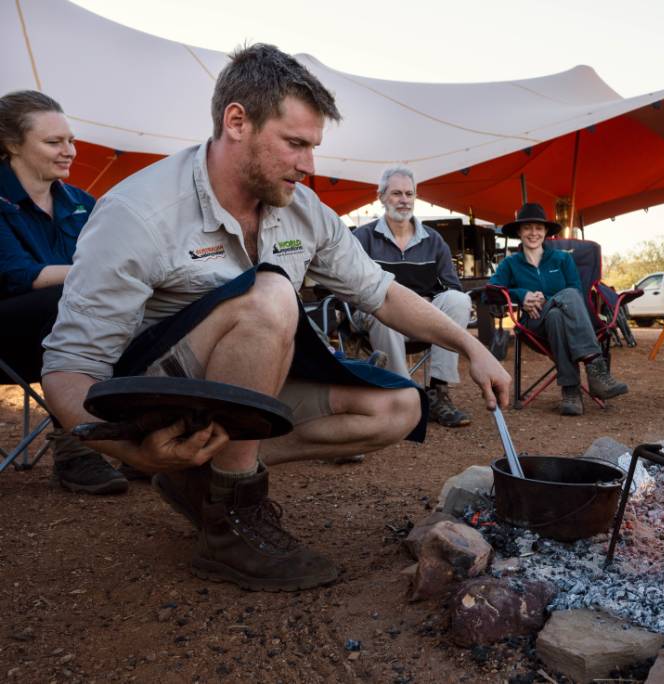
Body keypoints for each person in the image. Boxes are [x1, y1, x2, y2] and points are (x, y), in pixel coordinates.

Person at [40, 44, 510, 592]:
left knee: (398, 406)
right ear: (236, 121)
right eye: (295, 144)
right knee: (271, 294)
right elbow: (68, 368)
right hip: (159, 400)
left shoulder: (302, 209)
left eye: (313, 146)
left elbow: (380, 293)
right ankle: (231, 518)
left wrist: (470, 346)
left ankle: (203, 475)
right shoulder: (139, 211)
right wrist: (134, 451)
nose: (309, 165)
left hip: (244, 387)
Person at [0, 90, 128, 495]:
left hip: (76, 327)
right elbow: (17, 274)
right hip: (11, 335)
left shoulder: (83, 203)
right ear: (12, 144)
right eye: (54, 142)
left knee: (147, 304)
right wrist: (97, 274)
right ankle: (76, 450)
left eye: (71, 140)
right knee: (68, 300)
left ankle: (143, 442)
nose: (69, 151)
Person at [351, 166, 472, 428]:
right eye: (396, 193)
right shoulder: (363, 238)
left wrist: (422, 305)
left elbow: (452, 286)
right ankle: (405, 397)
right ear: (381, 196)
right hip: (378, 316)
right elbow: (349, 286)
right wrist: (394, 305)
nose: (404, 200)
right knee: (382, 308)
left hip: (421, 320)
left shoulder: (433, 240)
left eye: (409, 193)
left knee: (458, 301)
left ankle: (438, 392)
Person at [487, 202, 627, 415]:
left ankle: (570, 391)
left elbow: (576, 293)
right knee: (563, 301)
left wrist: (547, 301)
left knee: (556, 315)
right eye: (527, 228)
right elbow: (491, 291)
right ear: (519, 232)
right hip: (533, 325)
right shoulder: (511, 264)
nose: (533, 233)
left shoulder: (562, 259)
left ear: (545, 232)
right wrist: (522, 295)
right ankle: (594, 366)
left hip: (563, 322)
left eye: (538, 228)